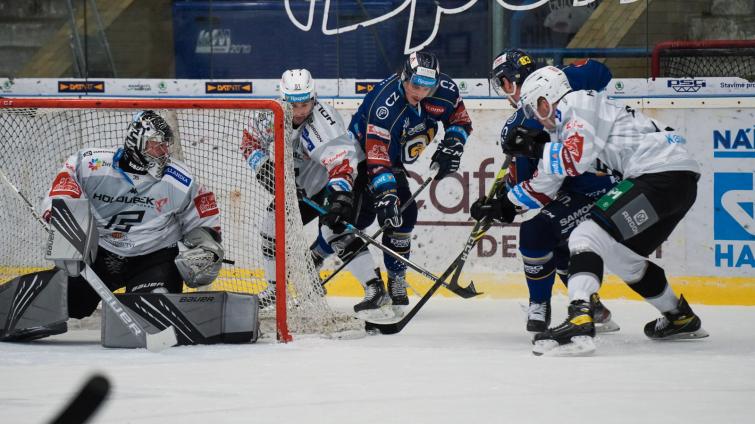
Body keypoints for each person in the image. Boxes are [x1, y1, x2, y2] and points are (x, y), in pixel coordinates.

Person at [504, 66, 707, 355]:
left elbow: (573, 160)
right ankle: (680, 317)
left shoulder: (578, 103)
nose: (534, 117)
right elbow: (546, 184)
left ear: (544, 100)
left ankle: (580, 314)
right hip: (677, 183)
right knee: (623, 259)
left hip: (658, 173)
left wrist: (535, 149)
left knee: (585, 235)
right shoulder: (566, 126)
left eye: (532, 108)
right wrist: (506, 204)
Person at [3, 110, 225, 340]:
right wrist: (65, 226)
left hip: (154, 257)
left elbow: (204, 221)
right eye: (155, 145)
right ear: (135, 141)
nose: (163, 152)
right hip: (100, 254)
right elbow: (63, 189)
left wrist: (205, 247)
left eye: (165, 146)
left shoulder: (182, 180)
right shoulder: (90, 164)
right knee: (69, 301)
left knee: (154, 310)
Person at [474, 49, 619, 333]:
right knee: (549, 234)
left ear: (511, 80)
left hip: (600, 185)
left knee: (535, 234)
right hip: (581, 186)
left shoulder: (560, 84)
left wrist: (505, 204)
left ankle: (545, 303)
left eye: (503, 83)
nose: (504, 91)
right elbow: (532, 182)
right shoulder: (519, 123)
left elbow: (601, 73)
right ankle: (589, 305)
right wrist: (503, 200)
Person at [241, 69, 388, 319]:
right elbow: (249, 142)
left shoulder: (324, 121)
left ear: (314, 97)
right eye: (293, 104)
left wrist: (340, 197)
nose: (299, 110)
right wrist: (263, 167)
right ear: (283, 98)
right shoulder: (269, 113)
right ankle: (276, 290)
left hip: (331, 182)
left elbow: (342, 163)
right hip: (296, 185)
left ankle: (375, 289)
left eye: (305, 103)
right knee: (270, 229)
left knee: (335, 232)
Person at [348, 51, 473, 315]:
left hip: (391, 155)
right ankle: (313, 263)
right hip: (359, 154)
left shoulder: (445, 91)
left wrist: (453, 143)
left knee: (404, 215)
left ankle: (396, 280)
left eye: (428, 86)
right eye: (415, 85)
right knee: (350, 222)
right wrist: (386, 194)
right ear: (404, 77)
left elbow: (460, 120)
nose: (421, 92)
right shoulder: (384, 106)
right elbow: (377, 154)